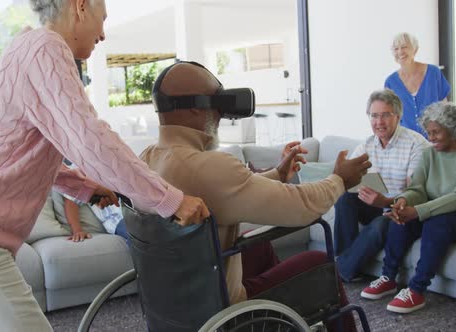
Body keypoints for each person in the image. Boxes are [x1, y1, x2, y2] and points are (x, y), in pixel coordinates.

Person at [0, 0, 209, 331]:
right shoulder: (47, 48)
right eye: (102, 19)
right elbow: (89, 138)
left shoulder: (26, 46)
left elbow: (22, 149)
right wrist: (168, 199)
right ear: (80, 6)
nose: (103, 34)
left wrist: (85, 187)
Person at [141, 61, 372, 331]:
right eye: (217, 101)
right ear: (194, 106)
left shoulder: (145, 161)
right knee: (318, 263)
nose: (221, 113)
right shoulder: (209, 166)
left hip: (174, 296)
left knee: (258, 248)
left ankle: (280, 323)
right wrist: (340, 180)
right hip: (216, 308)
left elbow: (228, 189)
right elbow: (302, 206)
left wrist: (277, 174)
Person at [361, 102, 456, 314]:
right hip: (447, 211)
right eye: (428, 132)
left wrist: (419, 210)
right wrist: (404, 201)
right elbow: (418, 188)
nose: (430, 138)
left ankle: (416, 289)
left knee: (438, 221)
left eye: (436, 132)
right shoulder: (429, 155)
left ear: (453, 129)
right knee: (401, 215)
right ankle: (388, 277)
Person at [334, 89, 429, 282]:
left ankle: (340, 271)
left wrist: (385, 201)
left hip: (401, 209)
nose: (379, 122)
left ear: (398, 116)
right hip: (376, 203)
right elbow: (348, 180)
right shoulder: (366, 145)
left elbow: (416, 192)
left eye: (385, 115)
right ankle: (346, 263)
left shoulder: (416, 144)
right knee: (344, 200)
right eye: (374, 116)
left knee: (379, 225)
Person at [384, 32, 450, 137]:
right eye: (396, 49)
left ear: (415, 49)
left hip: (435, 139)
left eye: (404, 47)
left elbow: (445, 107)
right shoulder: (390, 82)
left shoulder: (433, 73)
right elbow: (390, 116)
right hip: (407, 142)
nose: (400, 52)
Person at [58, 162, 128, 241]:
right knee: (139, 233)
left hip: (138, 212)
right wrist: (77, 230)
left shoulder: (117, 163)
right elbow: (71, 202)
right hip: (117, 219)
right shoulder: (77, 169)